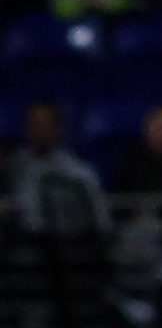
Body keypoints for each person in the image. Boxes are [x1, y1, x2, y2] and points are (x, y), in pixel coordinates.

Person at [10, 100, 112, 239]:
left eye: (46, 123)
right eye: (35, 123)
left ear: (59, 128)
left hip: (68, 242)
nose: (40, 129)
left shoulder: (79, 172)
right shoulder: (12, 165)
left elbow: (102, 221)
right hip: (19, 242)